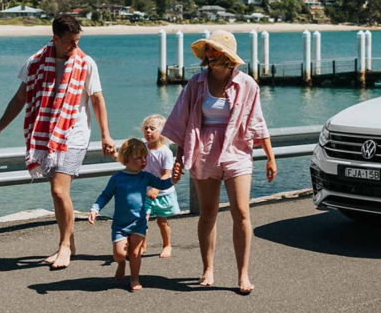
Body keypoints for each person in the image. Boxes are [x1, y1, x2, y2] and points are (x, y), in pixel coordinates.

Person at [0, 14, 115, 269]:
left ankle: (64, 247)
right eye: (69, 42)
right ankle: (69, 242)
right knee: (58, 194)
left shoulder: (86, 63)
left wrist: (105, 134)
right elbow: (19, 99)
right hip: (45, 135)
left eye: (77, 41)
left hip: (74, 133)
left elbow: (97, 99)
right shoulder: (34, 62)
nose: (75, 47)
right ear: (55, 38)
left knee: (58, 189)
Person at [163, 30, 277, 294]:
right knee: (208, 213)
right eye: (208, 51)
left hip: (237, 151)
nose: (210, 55)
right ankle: (208, 268)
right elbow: (183, 124)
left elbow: (258, 121)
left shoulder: (247, 84)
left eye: (215, 51)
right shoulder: (196, 83)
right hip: (203, 151)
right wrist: (179, 158)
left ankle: (243, 274)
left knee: (241, 211)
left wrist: (270, 157)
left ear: (228, 55)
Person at [88, 138, 181, 291]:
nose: (144, 161)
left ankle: (134, 278)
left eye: (145, 157)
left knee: (135, 253)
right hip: (120, 224)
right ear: (126, 159)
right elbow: (105, 195)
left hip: (138, 223)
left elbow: (163, 184)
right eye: (139, 157)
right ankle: (121, 264)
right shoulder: (117, 178)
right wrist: (95, 209)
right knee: (119, 254)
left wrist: (174, 179)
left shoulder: (146, 176)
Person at [141, 114, 180, 258]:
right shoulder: (142, 148)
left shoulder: (165, 152)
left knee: (161, 221)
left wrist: (157, 188)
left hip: (162, 192)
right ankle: (142, 245)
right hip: (145, 192)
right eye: (146, 128)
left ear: (162, 132)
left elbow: (166, 174)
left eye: (152, 128)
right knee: (142, 220)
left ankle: (167, 245)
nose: (148, 131)